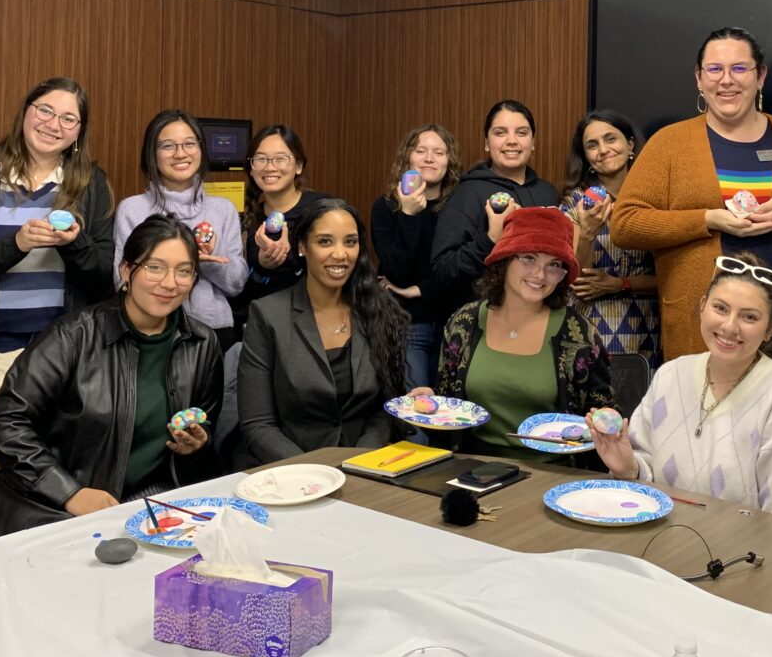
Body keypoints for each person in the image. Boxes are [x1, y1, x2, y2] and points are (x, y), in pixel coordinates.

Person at [612, 27, 772, 390]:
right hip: (701, 327)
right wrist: (706, 220)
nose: (727, 81)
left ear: (761, 76)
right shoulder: (668, 144)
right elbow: (626, 224)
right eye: (714, 70)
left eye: (740, 69)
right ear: (698, 78)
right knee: (700, 428)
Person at [0, 215, 223, 536]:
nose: (169, 283)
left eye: (183, 271)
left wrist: (196, 446)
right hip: (42, 503)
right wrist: (69, 492)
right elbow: (4, 425)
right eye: (154, 267)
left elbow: (204, 432)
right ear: (126, 270)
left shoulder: (202, 343)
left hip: (146, 501)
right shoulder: (72, 336)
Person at [590, 252, 772, 527]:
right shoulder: (671, 375)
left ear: (771, 328)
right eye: (721, 308)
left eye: (749, 317)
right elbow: (646, 475)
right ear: (703, 306)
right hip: (662, 544)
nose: (729, 326)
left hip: (745, 560)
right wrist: (628, 467)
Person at [0, 76, 114, 387]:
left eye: (68, 118)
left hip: (62, 349)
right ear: (25, 113)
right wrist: (15, 245)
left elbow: (105, 274)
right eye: (45, 111)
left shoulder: (92, 185)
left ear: (79, 131)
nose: (54, 125)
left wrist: (74, 244)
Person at [430, 208, 614, 462]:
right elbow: (447, 408)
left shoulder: (578, 335)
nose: (540, 275)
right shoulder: (464, 323)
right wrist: (428, 403)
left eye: (554, 265)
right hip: (471, 469)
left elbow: (602, 420)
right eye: (529, 258)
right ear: (504, 260)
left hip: (554, 476)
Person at [236, 199, 409, 466]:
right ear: (303, 246)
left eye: (350, 242)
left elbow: (383, 410)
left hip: (364, 468)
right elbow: (258, 425)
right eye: (325, 242)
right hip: (290, 472)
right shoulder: (267, 314)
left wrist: (357, 462)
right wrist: (316, 471)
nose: (340, 254)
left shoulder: (379, 310)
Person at [115, 110, 247, 354]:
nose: (181, 153)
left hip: (215, 333)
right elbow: (120, 280)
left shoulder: (223, 209)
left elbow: (237, 283)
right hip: (151, 333)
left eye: (189, 143)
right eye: (168, 146)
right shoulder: (132, 209)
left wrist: (206, 262)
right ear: (152, 155)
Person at [430, 100, 559, 315]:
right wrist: (491, 238)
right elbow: (442, 271)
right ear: (487, 143)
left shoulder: (548, 193)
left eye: (521, 132)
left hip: (542, 319)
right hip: (485, 322)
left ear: (533, 142)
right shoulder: (467, 193)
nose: (511, 141)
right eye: (500, 133)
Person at [561, 108, 660, 363]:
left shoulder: (658, 199)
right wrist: (587, 234)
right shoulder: (574, 204)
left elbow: (672, 276)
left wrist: (620, 283)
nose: (603, 149)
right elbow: (578, 283)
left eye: (610, 139)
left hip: (651, 329)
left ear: (630, 145)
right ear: (586, 157)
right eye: (592, 145)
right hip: (592, 331)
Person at [370, 124, 462, 389]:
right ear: (407, 158)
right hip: (409, 325)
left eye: (439, 152)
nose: (429, 158)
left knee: (450, 411)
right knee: (417, 416)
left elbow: (462, 269)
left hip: (454, 323)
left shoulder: (460, 207)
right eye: (420, 150)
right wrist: (409, 215)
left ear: (449, 161)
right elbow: (396, 271)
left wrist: (420, 289)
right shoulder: (386, 207)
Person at [238, 124, 328, 315]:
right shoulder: (246, 221)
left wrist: (295, 256)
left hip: (318, 322)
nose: (270, 167)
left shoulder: (323, 209)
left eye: (280, 159)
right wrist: (263, 267)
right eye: (261, 159)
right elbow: (239, 297)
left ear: (298, 166)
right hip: (264, 325)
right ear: (251, 169)